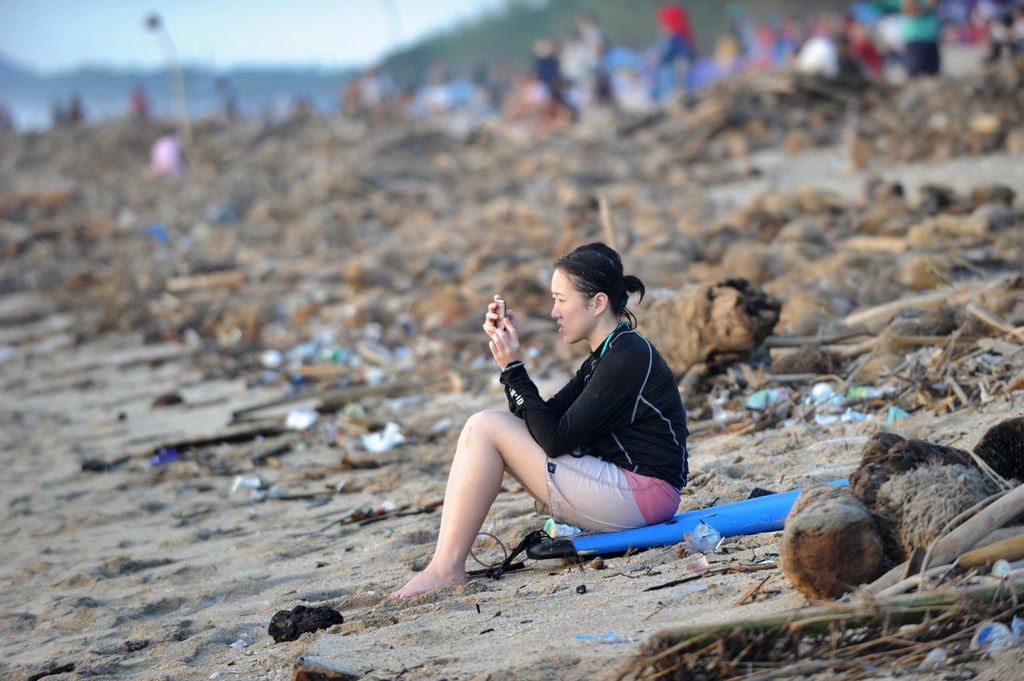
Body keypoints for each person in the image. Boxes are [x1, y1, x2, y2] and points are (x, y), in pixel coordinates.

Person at [392, 243, 689, 598]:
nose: (553, 312)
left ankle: (445, 568)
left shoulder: (627, 356)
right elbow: (545, 421)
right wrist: (511, 361)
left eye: (561, 300)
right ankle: (445, 564)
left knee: (484, 425)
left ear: (596, 303)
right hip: (634, 492)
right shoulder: (609, 353)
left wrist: (513, 369)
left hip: (645, 495)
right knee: (486, 427)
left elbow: (553, 440)